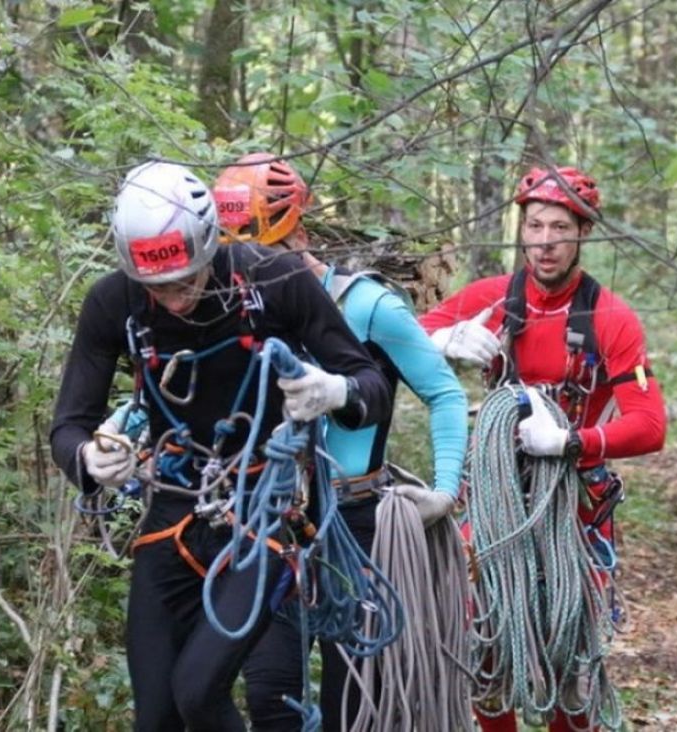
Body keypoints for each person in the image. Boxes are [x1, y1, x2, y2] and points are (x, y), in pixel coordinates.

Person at [49, 160, 393, 732]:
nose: (174, 298)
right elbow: (68, 424)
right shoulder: (116, 304)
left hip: (262, 513)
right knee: (156, 717)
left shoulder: (273, 278)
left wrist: (332, 390)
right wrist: (88, 458)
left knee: (198, 690)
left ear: (209, 245)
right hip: (172, 514)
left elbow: (371, 386)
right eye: (156, 287)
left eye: (185, 281)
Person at [212, 152, 469, 731]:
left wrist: (446, 491)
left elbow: (444, 394)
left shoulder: (368, 306)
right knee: (271, 696)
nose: (248, 270)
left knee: (353, 702)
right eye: (234, 256)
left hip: (356, 525)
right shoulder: (235, 313)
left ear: (299, 233)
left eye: (262, 254)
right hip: (270, 520)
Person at [419, 164, 667, 732]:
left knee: (570, 652)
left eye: (560, 227)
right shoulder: (490, 299)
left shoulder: (612, 318)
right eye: (535, 226)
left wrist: (572, 441)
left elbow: (650, 425)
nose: (546, 241)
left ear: (583, 234)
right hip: (495, 498)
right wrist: (441, 340)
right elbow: (390, 342)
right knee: (484, 635)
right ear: (521, 230)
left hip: (574, 504)